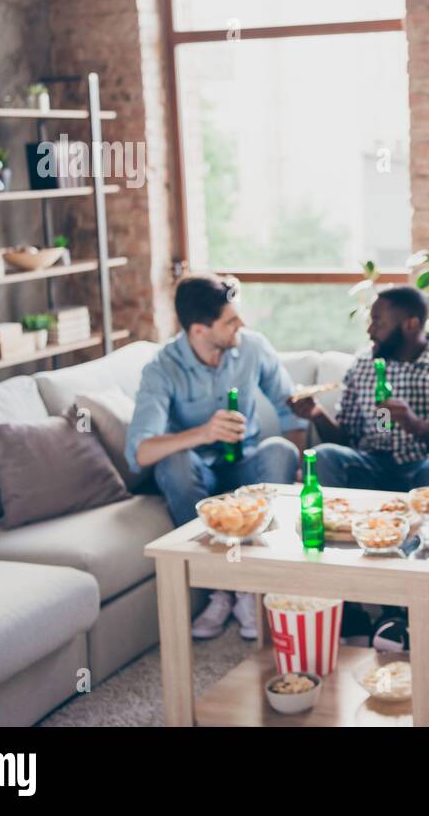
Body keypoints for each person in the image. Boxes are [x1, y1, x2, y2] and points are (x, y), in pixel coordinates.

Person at [288, 285, 429, 642]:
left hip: (421, 470)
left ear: (410, 325)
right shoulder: (363, 364)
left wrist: (415, 425)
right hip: (371, 467)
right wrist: (316, 415)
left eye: (377, 322)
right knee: (328, 458)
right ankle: (348, 607)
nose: (369, 330)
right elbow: (346, 438)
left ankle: (400, 607)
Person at [126, 273, 301, 641]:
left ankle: (250, 586)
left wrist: (300, 472)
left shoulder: (252, 348)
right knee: (172, 462)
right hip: (196, 478)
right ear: (199, 330)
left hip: (246, 468)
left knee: (280, 452)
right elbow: (140, 451)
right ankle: (222, 590)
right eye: (231, 320)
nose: (242, 324)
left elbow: (291, 411)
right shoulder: (162, 368)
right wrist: (203, 433)